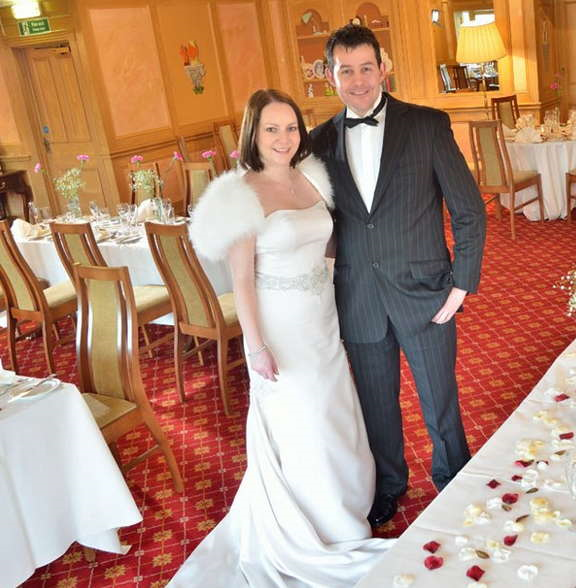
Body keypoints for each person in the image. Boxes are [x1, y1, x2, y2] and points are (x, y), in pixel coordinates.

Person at [170, 89, 391, 587]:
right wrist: (255, 346)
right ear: (253, 134)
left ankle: (347, 510)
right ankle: (315, 527)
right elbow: (242, 281)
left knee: (334, 412)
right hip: (280, 328)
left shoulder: (309, 175)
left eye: (291, 128)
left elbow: (327, 240)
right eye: (271, 129)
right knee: (304, 420)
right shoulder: (240, 195)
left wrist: (332, 281)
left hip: (321, 319)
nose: (283, 138)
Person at [310, 25, 486, 528]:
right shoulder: (318, 142)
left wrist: (461, 284)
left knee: (439, 399)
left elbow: (469, 210)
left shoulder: (427, 125)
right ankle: (388, 484)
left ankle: (452, 477)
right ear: (330, 76)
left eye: (367, 68)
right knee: (376, 405)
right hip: (358, 296)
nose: (358, 80)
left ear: (383, 68)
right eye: (346, 71)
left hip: (427, 292)